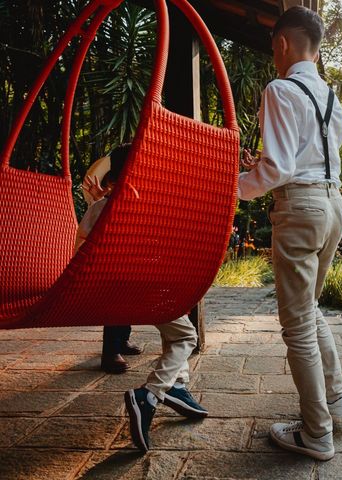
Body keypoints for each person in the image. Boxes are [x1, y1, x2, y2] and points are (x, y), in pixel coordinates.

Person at [237, 7, 342, 461]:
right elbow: (307, 159)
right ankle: (337, 403)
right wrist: (262, 170)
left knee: (298, 323)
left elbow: (281, 168)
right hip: (333, 206)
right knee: (311, 310)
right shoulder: (329, 96)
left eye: (272, 46)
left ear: (282, 43)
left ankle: (316, 433)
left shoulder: (280, 89)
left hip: (300, 208)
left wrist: (234, 187)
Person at [77, 145, 208, 453]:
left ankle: (177, 387)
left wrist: (100, 205)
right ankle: (150, 394)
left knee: (174, 327)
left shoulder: (100, 207)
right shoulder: (151, 205)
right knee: (186, 334)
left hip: (111, 296)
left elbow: (82, 245)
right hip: (145, 292)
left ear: (112, 177)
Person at [80, 150, 143, 374]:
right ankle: (110, 352)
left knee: (125, 310)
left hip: (131, 267)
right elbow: (85, 235)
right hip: (110, 269)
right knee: (116, 310)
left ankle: (122, 342)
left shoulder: (136, 206)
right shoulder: (102, 207)